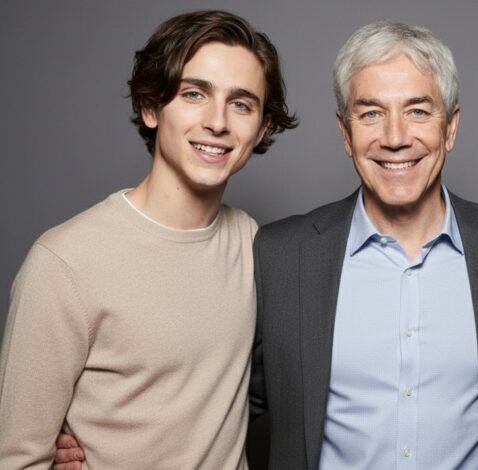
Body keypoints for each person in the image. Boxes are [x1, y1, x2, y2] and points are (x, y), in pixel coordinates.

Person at [0, 10, 297, 469]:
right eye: (194, 94)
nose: (217, 122)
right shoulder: (65, 262)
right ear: (151, 107)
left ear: (260, 129)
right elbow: (18, 456)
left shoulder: (255, 244)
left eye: (241, 103)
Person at [250, 22, 478, 469]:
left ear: (450, 127)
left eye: (418, 111)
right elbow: (220, 411)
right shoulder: (278, 256)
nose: (394, 137)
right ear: (345, 132)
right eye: (370, 113)